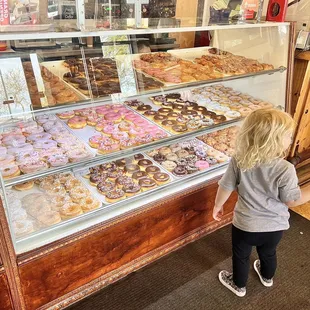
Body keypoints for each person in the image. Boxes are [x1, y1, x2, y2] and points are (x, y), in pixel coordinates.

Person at [213, 108, 310, 297]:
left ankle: (239, 285)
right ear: (274, 141)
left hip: (245, 225)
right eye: (288, 136)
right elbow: (291, 200)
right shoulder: (285, 169)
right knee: (269, 253)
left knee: (241, 256)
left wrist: (218, 205)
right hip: (274, 227)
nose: (291, 139)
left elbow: (226, 186)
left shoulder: (239, 160)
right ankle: (267, 277)